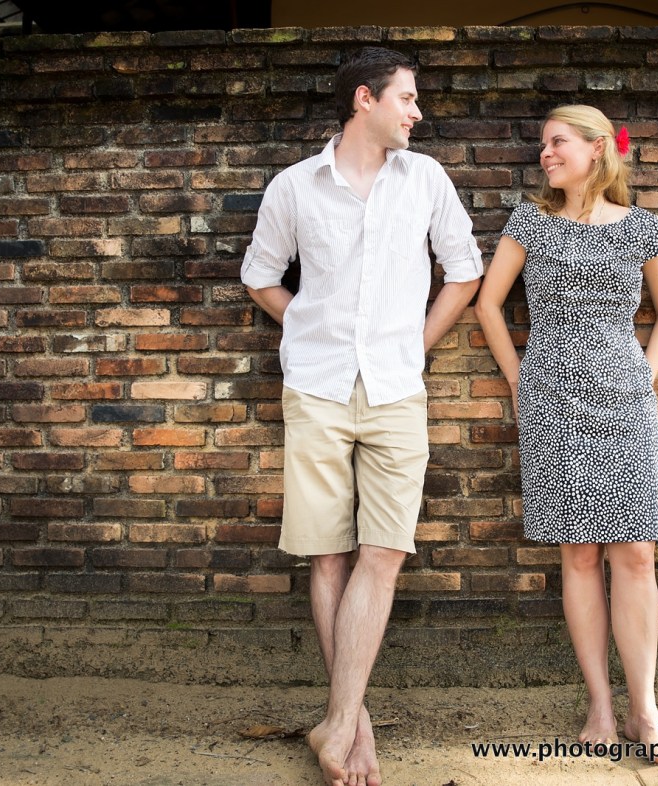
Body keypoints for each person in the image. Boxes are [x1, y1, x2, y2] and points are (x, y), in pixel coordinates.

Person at [240, 47, 483, 786]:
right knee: (328, 556)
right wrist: (309, 325)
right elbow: (260, 276)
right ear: (364, 100)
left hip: (396, 389)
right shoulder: (294, 187)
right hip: (316, 386)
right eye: (407, 98)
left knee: (384, 553)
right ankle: (354, 723)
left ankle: (338, 723)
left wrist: (415, 343)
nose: (417, 112)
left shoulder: (426, 179)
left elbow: (465, 271)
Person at [474, 105, 658, 760]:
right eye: (542, 144)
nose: (545, 153)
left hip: (624, 400)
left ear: (596, 148)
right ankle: (599, 704)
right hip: (553, 400)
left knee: (636, 553)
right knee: (580, 554)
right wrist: (519, 379)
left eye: (557, 141)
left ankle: (644, 708)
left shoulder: (641, 226)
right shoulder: (529, 222)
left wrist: (644, 373)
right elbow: (487, 304)